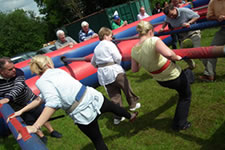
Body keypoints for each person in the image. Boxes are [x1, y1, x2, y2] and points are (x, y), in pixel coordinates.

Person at [10, 55, 138, 150]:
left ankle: (129, 116)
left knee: (98, 141)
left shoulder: (42, 81)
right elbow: (40, 99)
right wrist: (21, 111)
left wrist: (35, 126)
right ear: (48, 64)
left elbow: (53, 102)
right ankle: (130, 116)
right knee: (113, 107)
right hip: (92, 98)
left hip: (82, 111)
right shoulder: (59, 71)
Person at [131, 21, 192, 131]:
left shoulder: (133, 50)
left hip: (160, 80)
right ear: (150, 31)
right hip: (173, 76)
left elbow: (135, 70)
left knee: (187, 75)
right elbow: (169, 54)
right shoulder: (153, 40)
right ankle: (180, 124)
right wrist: (176, 57)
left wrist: (142, 59)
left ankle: (190, 77)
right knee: (185, 96)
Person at [0, 57, 62, 144]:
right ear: (2, 71)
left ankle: (51, 131)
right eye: (10, 69)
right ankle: (41, 135)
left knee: (40, 114)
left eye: (14, 67)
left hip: (30, 99)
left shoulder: (18, 72)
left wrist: (8, 98)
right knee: (29, 121)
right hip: (17, 105)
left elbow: (19, 86)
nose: (14, 70)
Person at [91, 27, 140, 125]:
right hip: (114, 71)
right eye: (110, 36)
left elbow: (93, 63)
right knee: (126, 88)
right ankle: (133, 105)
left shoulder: (96, 48)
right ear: (105, 36)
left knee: (114, 96)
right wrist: (116, 63)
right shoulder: (110, 44)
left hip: (103, 75)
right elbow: (118, 57)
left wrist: (100, 65)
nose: (111, 38)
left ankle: (118, 116)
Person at [159, 4, 201, 70]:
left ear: (175, 9)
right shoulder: (169, 16)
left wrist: (189, 23)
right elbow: (166, 21)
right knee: (181, 54)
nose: (171, 17)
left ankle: (208, 72)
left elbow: (197, 16)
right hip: (183, 36)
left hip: (192, 32)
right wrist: (162, 28)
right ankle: (192, 65)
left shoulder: (184, 11)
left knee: (199, 52)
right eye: (169, 16)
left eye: (172, 14)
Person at [199, 0, 225, 81]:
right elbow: (208, 16)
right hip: (223, 29)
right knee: (212, 49)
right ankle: (209, 74)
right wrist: (217, 17)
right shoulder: (212, 2)